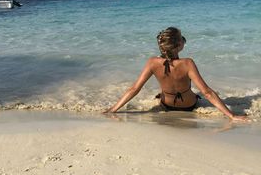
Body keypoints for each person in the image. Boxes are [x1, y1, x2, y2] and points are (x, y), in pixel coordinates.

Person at [104, 27, 248, 121]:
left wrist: (113, 109)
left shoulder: (152, 62)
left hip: (166, 105)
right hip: (188, 106)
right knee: (199, 94)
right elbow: (207, 92)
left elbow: (134, 89)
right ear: (179, 45)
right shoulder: (187, 63)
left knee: (161, 93)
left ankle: (161, 96)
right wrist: (231, 115)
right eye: (181, 38)